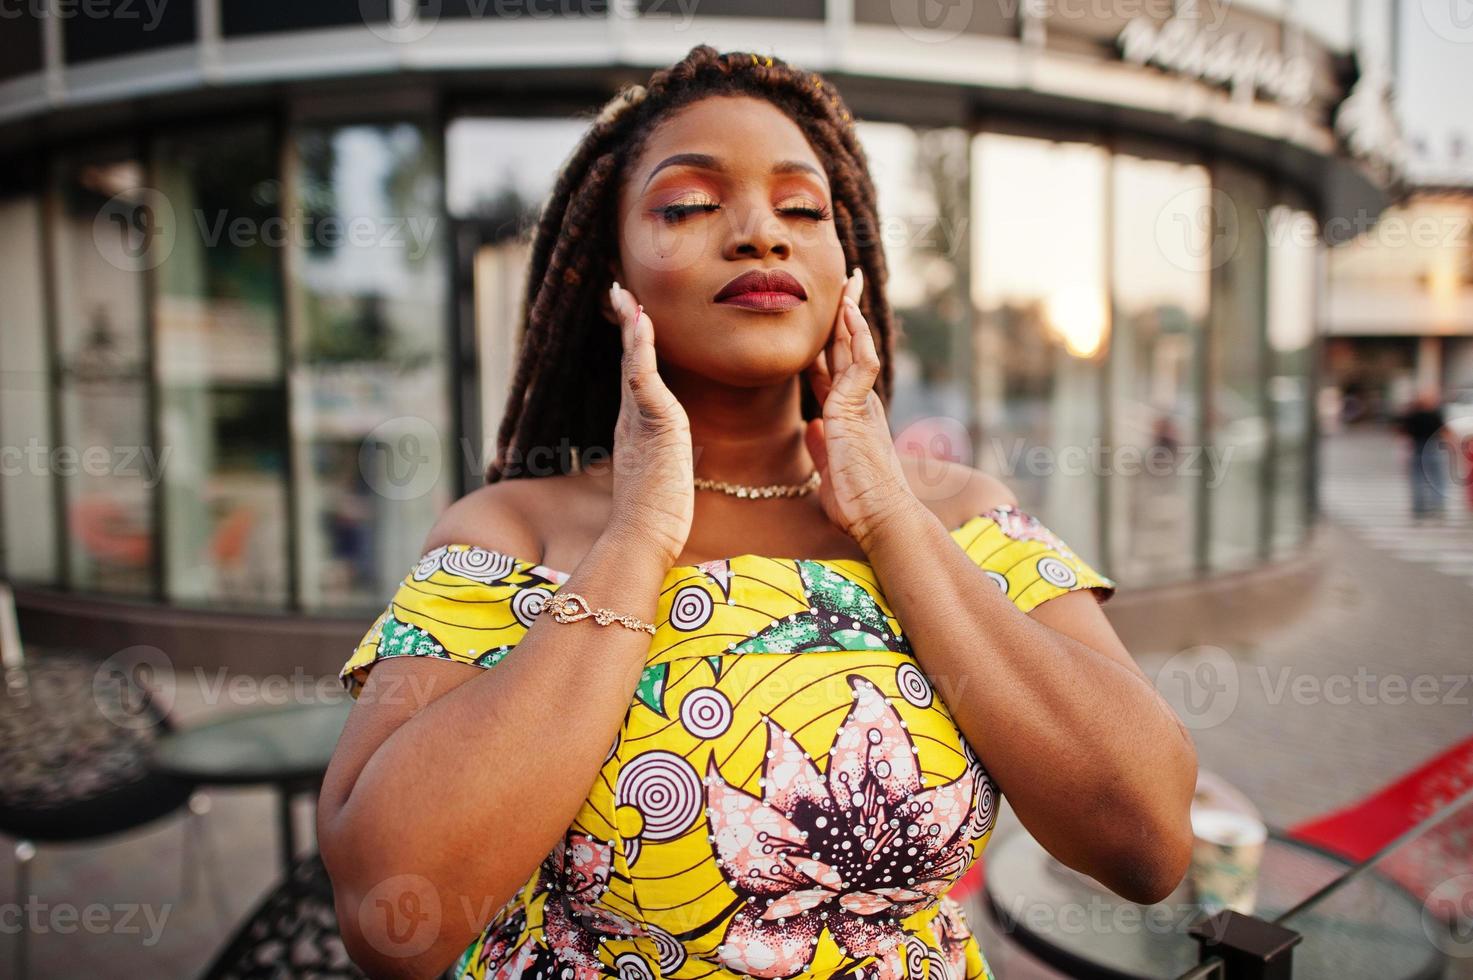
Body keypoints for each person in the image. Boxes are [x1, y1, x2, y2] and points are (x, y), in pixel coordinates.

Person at [317, 45, 1198, 980]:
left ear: (845, 268)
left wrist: (891, 519)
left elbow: (1145, 841)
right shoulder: (509, 531)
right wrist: (637, 537)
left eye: (802, 210)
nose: (758, 235)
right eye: (689, 205)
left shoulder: (965, 516)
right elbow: (392, 915)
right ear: (609, 275)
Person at [1395, 388, 1452, 520]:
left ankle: (1419, 507)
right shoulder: (1435, 414)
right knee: (1437, 479)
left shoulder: (1412, 415)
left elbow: (1402, 432)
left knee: (1417, 479)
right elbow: (1445, 431)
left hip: (1417, 449)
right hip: (1433, 448)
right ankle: (1438, 505)